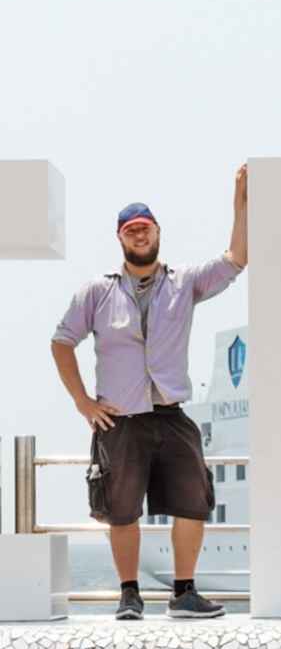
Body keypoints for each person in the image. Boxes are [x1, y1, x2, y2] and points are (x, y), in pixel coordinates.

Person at [50, 166, 248, 620]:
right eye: (131, 230)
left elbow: (236, 258)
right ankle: (129, 595)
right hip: (119, 419)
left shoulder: (184, 283)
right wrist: (83, 402)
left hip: (170, 412)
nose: (139, 235)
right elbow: (61, 342)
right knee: (121, 511)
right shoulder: (96, 292)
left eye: (146, 228)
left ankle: (183, 592)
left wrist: (240, 204)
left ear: (158, 232)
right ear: (121, 238)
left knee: (193, 502)